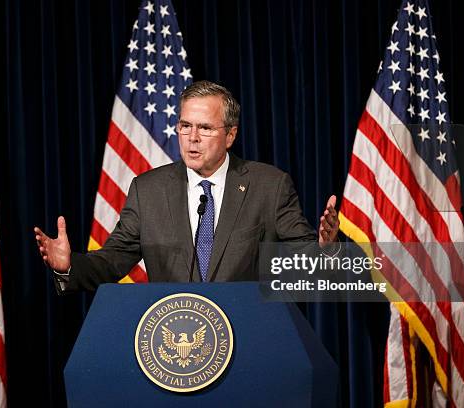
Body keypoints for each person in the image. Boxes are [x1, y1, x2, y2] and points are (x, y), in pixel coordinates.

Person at [34, 80, 339, 292]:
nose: (192, 137)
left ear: (230, 135)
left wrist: (325, 250)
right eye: (185, 126)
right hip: (177, 348)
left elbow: (304, 262)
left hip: (249, 344)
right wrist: (68, 266)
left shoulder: (269, 186)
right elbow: (112, 260)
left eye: (205, 128)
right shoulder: (148, 191)